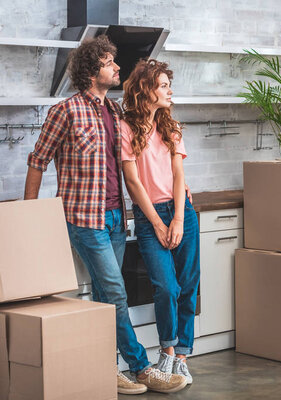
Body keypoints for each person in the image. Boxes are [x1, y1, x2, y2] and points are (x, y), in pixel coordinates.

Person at [23, 35, 187, 395]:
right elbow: (37, 161)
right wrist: (32, 214)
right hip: (84, 219)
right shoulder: (64, 111)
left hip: (116, 217)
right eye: (110, 61)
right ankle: (141, 367)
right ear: (90, 69)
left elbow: (138, 159)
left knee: (103, 297)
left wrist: (178, 185)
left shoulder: (115, 111)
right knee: (115, 291)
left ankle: (105, 367)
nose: (117, 67)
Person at [120, 59, 200, 385]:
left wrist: (179, 218)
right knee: (165, 287)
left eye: (169, 85)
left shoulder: (171, 127)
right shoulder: (126, 128)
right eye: (164, 85)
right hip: (149, 215)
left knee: (187, 286)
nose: (169, 91)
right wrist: (156, 222)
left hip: (182, 212)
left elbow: (179, 174)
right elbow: (132, 181)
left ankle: (181, 356)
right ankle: (166, 350)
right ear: (146, 89)